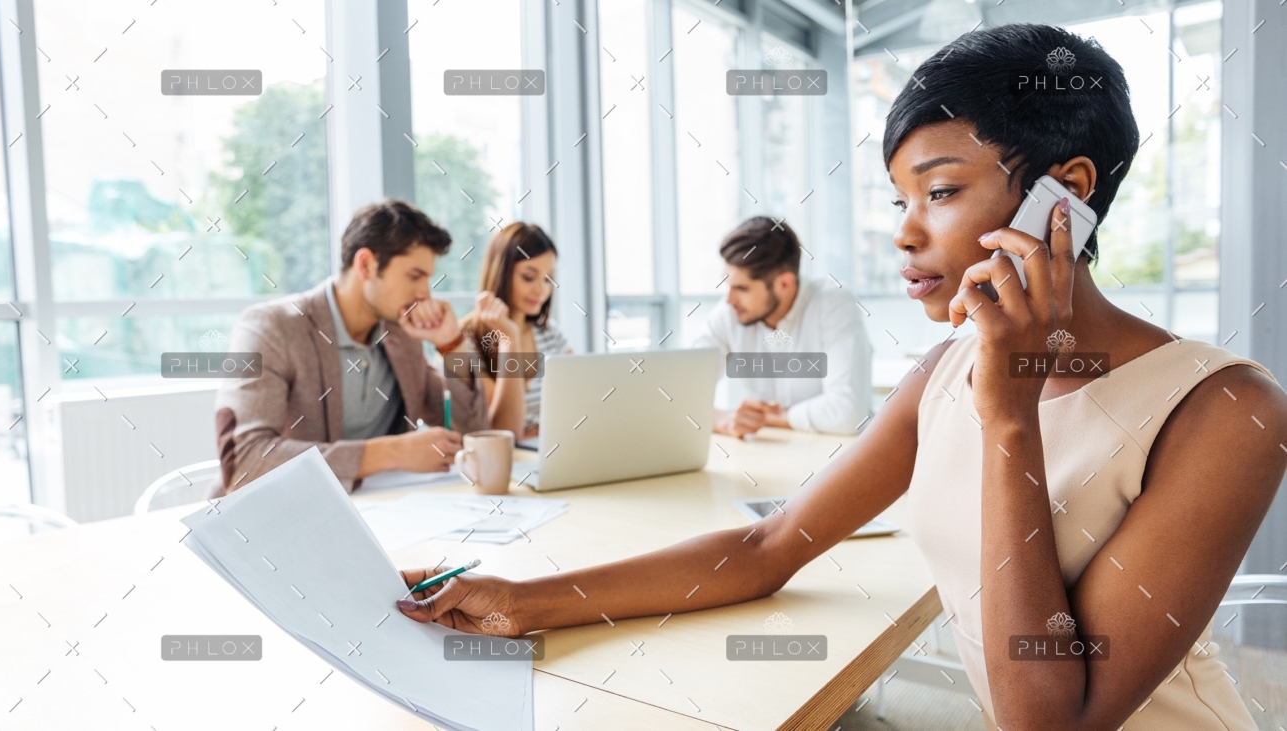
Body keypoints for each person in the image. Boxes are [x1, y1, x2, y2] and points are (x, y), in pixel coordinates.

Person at [392, 25, 1287, 731]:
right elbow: (768, 545)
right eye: (899, 198)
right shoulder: (945, 371)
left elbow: (1050, 719)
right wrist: (523, 601)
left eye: (938, 192)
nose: (902, 232)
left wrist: (1009, 416)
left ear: (1066, 193)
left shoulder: (1228, 409)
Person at [213, 198, 489, 494]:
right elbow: (246, 462)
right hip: (281, 516)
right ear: (367, 265)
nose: (424, 293)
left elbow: (473, 436)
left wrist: (452, 344)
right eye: (414, 276)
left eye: (427, 278)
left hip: (384, 513)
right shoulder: (270, 328)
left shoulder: (401, 335)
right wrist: (390, 452)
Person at [692, 216, 872, 437]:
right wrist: (722, 419)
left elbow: (848, 413)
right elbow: (680, 393)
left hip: (835, 456)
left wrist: (772, 417)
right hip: (770, 456)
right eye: (728, 285)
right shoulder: (729, 312)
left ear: (784, 284)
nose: (729, 299)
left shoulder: (833, 304)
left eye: (742, 288)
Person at [459, 222, 571, 440]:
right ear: (501, 273)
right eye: (528, 277)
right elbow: (504, 431)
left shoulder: (550, 334)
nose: (541, 289)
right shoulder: (464, 340)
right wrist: (509, 338)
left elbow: (579, 406)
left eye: (548, 279)